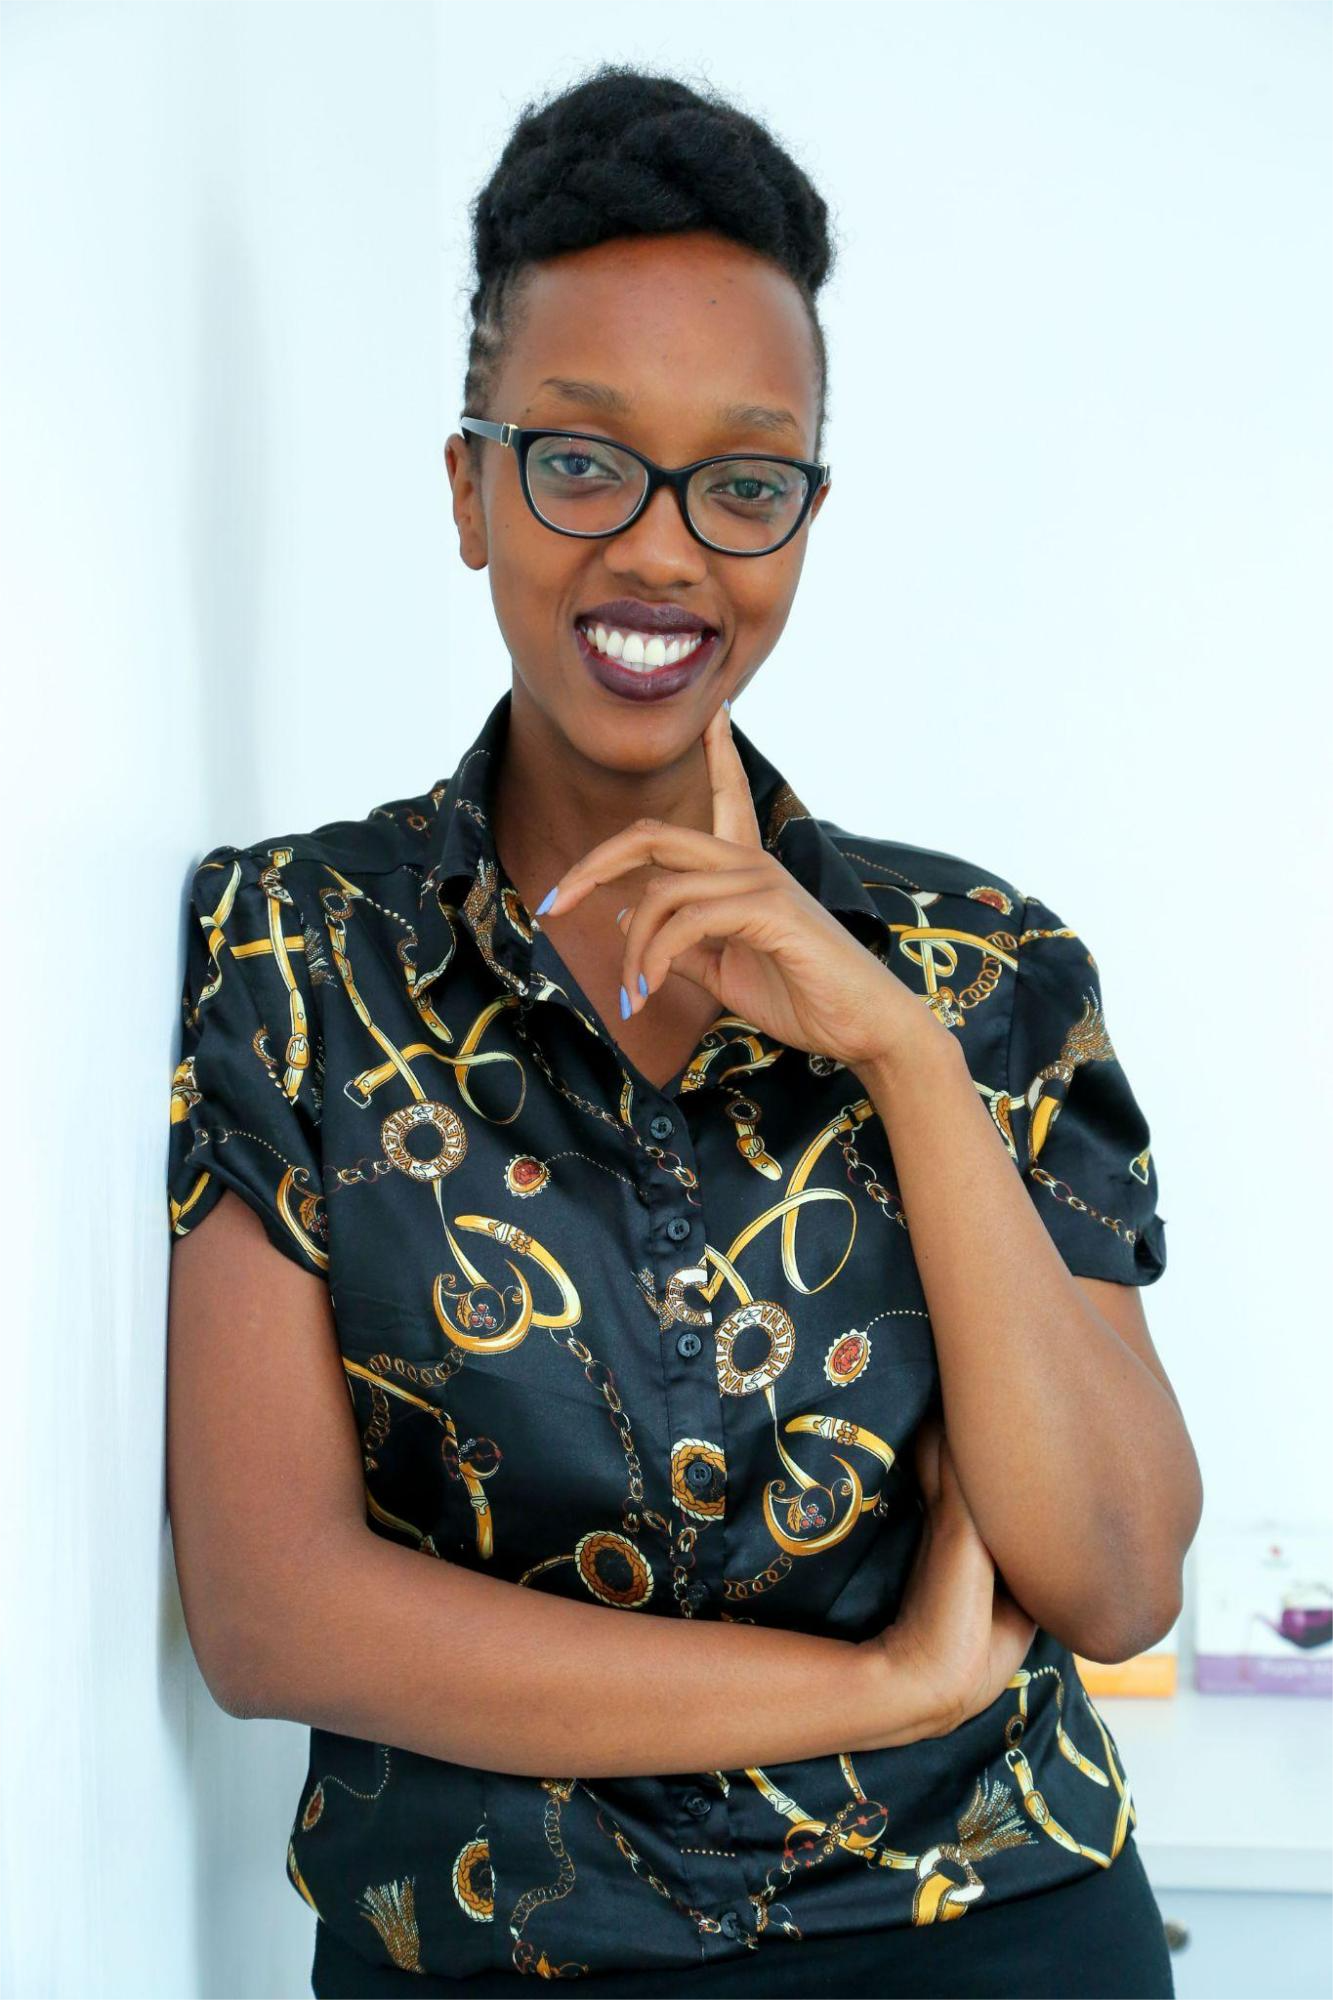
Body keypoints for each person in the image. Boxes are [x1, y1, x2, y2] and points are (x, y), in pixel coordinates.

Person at [164, 62, 1198, 1999]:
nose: (660, 548)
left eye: (743, 481)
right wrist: (881, 1682)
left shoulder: (982, 962)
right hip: (496, 1957)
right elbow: (273, 1610)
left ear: (804, 514)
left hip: (992, 1938)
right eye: (578, 458)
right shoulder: (293, 946)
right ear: (469, 487)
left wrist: (898, 1051)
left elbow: (1116, 1568)